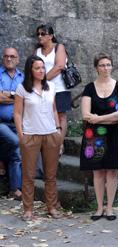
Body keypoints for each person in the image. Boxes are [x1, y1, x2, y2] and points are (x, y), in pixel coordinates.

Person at [80, 53, 118, 221]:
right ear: (96, 68)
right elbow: (86, 115)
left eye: (108, 64)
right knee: (98, 172)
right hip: (95, 137)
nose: (106, 68)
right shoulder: (89, 88)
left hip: (115, 134)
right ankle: (99, 207)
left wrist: (99, 119)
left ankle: (110, 208)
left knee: (112, 172)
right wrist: (109, 118)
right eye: (102, 65)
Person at [13, 55, 62, 221]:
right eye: (37, 68)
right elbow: (17, 113)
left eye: (43, 67)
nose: (41, 71)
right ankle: (28, 209)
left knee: (51, 175)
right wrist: (21, 135)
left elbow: (54, 110)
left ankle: (51, 207)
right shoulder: (22, 89)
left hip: (50, 134)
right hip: (31, 135)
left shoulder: (52, 86)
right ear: (30, 70)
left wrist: (58, 130)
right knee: (28, 175)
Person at [35, 24, 70, 156]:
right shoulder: (37, 51)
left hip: (59, 88)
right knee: (45, 116)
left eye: (43, 34)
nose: (39, 36)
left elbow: (59, 66)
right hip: (43, 90)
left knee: (60, 116)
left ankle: (59, 144)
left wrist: (41, 80)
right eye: (38, 34)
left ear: (51, 36)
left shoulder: (59, 47)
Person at [0, 47, 24, 200]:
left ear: (18, 59)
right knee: (16, 142)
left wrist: (9, 94)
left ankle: (15, 189)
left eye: (12, 56)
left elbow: (27, 98)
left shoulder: (23, 76)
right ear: (3, 58)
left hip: (18, 122)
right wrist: (17, 97)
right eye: (6, 56)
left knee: (16, 154)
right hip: (1, 123)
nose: (9, 59)